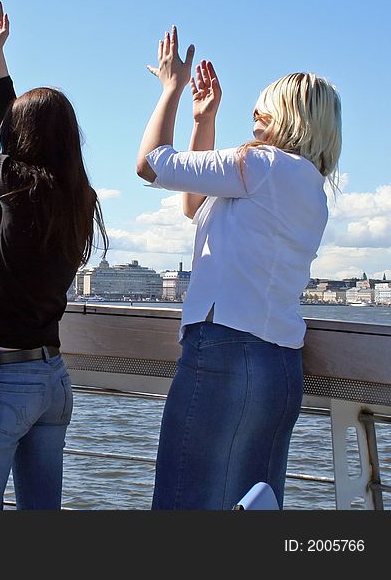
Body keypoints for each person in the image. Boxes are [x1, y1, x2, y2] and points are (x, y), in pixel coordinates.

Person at [136, 26, 342, 509]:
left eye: (265, 104)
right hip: (279, 364)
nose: (255, 112)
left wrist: (170, 88)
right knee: (254, 507)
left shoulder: (261, 164)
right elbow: (194, 204)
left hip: (223, 350)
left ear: (291, 117)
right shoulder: (309, 186)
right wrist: (203, 119)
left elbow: (151, 164)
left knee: (182, 501)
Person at [0, 0, 108, 509]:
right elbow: (12, 136)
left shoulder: (20, 185)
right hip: (52, 381)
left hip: (2, 380)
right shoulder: (76, 198)